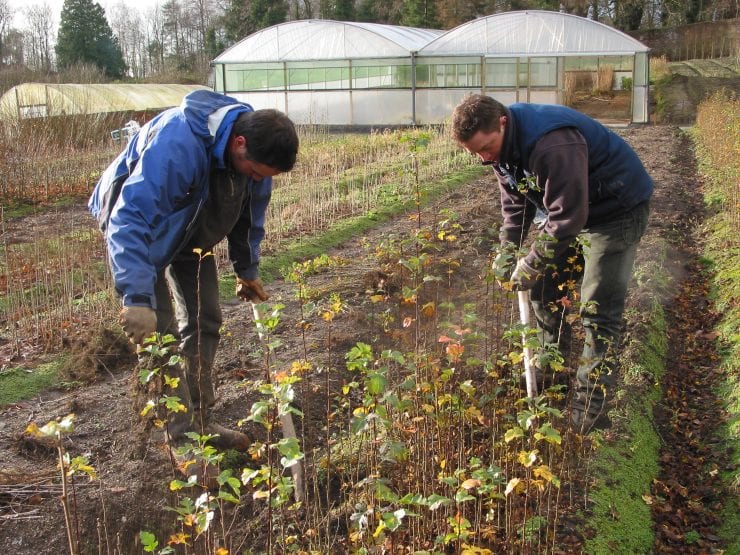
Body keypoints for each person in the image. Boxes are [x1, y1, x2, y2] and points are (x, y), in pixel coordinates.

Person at [89, 89, 299, 455]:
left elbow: (250, 216)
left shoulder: (257, 159)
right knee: (161, 332)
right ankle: (180, 436)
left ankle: (201, 420)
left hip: (191, 230)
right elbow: (130, 218)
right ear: (238, 143)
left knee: (206, 318)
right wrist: (137, 299)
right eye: (253, 171)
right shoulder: (178, 143)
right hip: (142, 230)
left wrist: (247, 269)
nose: (256, 179)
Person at [451, 94, 652, 433]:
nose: (484, 159)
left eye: (486, 148)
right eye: (476, 154)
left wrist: (530, 262)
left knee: (597, 311)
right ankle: (549, 369)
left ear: (502, 122)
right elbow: (517, 206)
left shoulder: (551, 144)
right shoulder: (501, 150)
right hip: (573, 211)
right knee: (542, 289)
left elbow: (567, 217)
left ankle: (589, 408)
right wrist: (508, 254)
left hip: (615, 209)